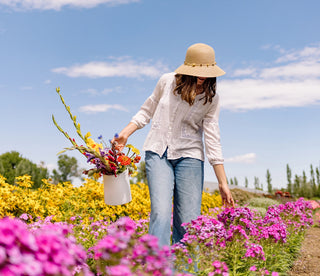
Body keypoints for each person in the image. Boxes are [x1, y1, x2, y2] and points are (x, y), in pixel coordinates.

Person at [112, 43, 234, 246]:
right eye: (198, 71)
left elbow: (212, 139)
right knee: (160, 212)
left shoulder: (211, 99)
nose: (202, 76)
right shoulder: (167, 81)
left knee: (188, 220)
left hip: (191, 157)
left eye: (207, 71)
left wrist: (222, 182)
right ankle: (156, 267)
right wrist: (126, 132)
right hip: (158, 151)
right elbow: (147, 111)